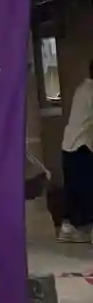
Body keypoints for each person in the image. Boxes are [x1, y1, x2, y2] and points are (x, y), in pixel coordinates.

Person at [58, 59, 93, 241]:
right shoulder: (90, 90)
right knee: (86, 189)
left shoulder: (83, 88)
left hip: (71, 145)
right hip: (80, 146)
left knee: (74, 189)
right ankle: (82, 228)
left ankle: (69, 228)